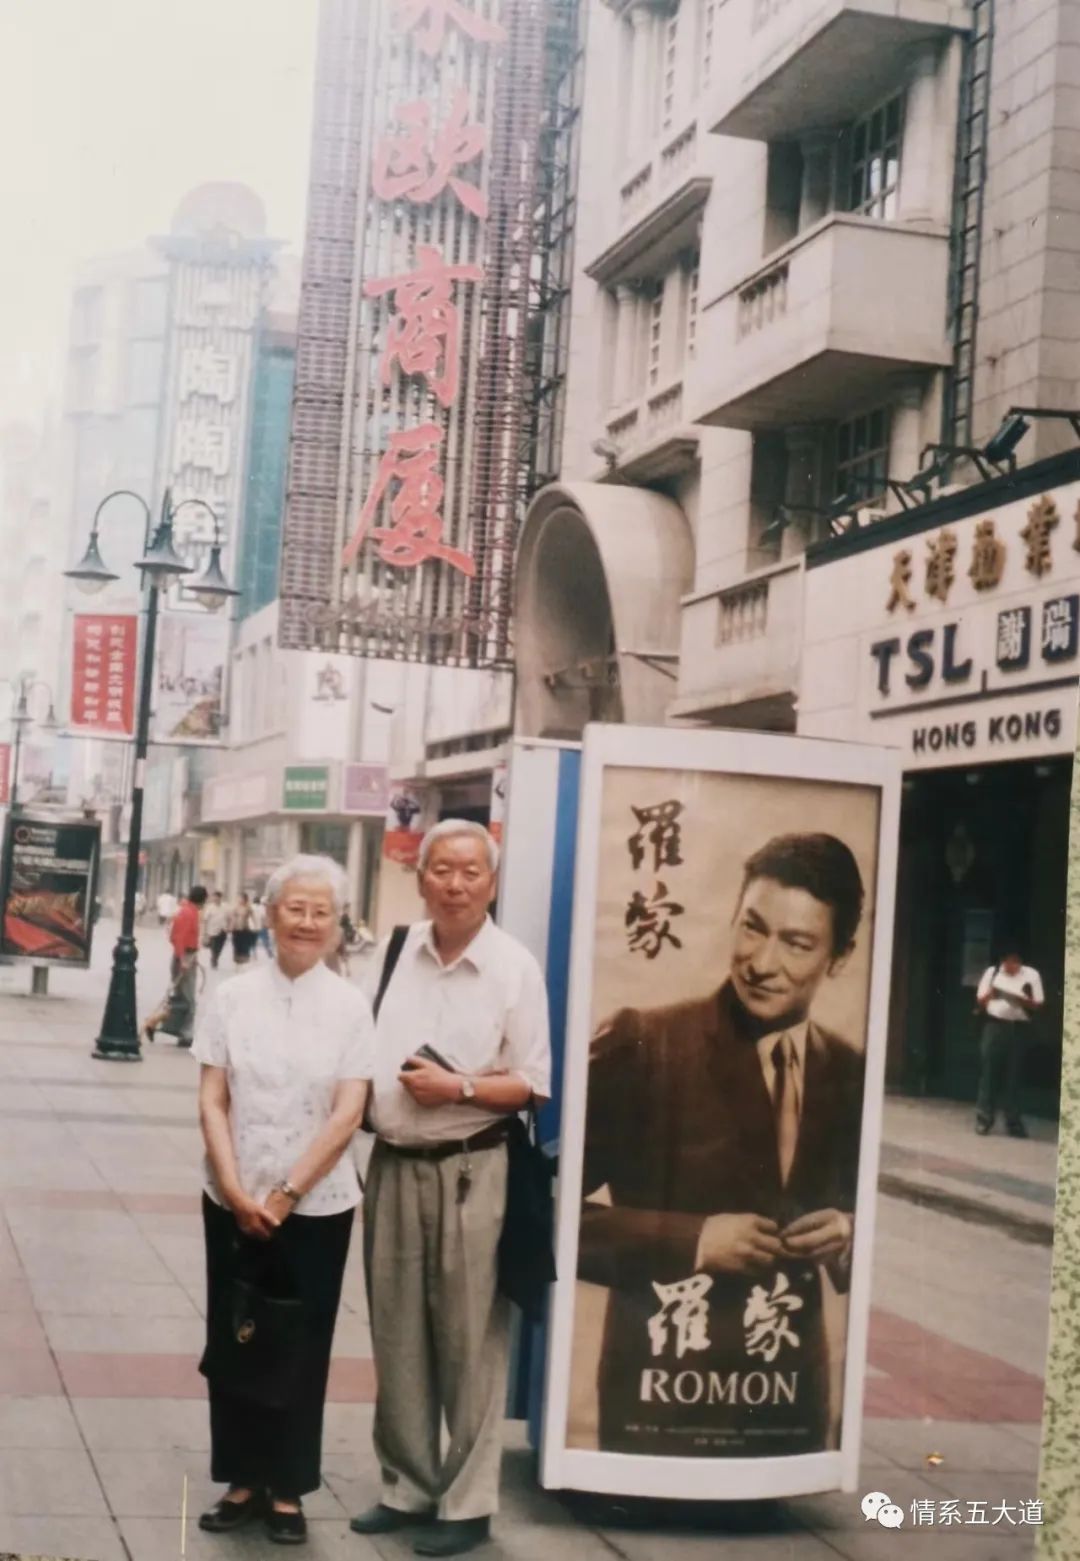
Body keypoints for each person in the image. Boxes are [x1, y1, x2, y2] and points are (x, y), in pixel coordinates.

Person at [579, 832, 866, 1461]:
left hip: (788, 1396)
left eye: (797, 943)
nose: (762, 962)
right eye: (752, 928)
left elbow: (880, 1224)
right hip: (663, 1386)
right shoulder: (645, 1043)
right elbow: (546, 1211)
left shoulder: (850, 1070)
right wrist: (697, 1240)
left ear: (839, 957)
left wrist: (850, 1230)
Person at [350, 821, 550, 1558]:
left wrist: (457, 1085)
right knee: (396, 1330)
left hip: (475, 1168)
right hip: (395, 1165)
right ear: (421, 876)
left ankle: (467, 1504)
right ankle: (406, 1484)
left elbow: (533, 1083)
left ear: (491, 882)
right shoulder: (396, 950)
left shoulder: (513, 967)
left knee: (469, 1340)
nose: (456, 883)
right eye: (442, 869)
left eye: (471, 870)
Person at [193, 854, 374, 1546]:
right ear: (269, 914)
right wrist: (237, 1188)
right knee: (233, 1331)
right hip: (231, 1194)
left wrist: (288, 1190)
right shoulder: (232, 995)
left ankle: (290, 1484)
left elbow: (347, 1108)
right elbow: (213, 1096)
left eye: (320, 911)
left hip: (318, 1205)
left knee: (303, 1342)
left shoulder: (350, 1005)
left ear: (336, 923)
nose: (306, 921)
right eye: (294, 907)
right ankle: (241, 1476)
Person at [975, 947, 1045, 1138]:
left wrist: (1020, 999)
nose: (1010, 966)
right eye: (1006, 961)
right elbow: (981, 1000)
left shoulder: (1031, 975)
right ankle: (984, 1120)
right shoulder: (992, 973)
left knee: (1013, 1076)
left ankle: (1013, 1122)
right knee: (989, 1072)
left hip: (1018, 1028)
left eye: (1014, 962)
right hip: (995, 1026)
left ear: (1020, 961)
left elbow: (1038, 1003)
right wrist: (993, 992)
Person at [148, 886, 207, 1048]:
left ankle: (162, 1025)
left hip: (187, 955)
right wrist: (183, 960)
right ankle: (185, 1033)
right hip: (185, 957)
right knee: (188, 1000)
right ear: (202, 900)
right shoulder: (188, 913)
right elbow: (178, 937)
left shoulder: (187, 911)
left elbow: (175, 935)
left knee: (181, 998)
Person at [203, 891, 229, 971]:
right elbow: (205, 920)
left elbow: (229, 918)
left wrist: (228, 927)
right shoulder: (209, 907)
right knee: (214, 947)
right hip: (212, 931)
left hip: (223, 930)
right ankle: (214, 960)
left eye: (217, 897)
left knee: (220, 947)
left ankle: (215, 958)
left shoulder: (225, 907)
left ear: (220, 898)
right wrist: (205, 932)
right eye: (214, 897)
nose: (215, 898)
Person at [231, 893, 257, 966]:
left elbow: (253, 917)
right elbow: (233, 918)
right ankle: (237, 960)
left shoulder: (248, 908)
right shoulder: (236, 908)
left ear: (245, 899)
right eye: (239, 898)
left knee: (244, 944)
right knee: (236, 944)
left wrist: (255, 926)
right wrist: (231, 926)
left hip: (245, 928)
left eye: (242, 898)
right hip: (236, 928)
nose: (240, 900)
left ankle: (243, 960)